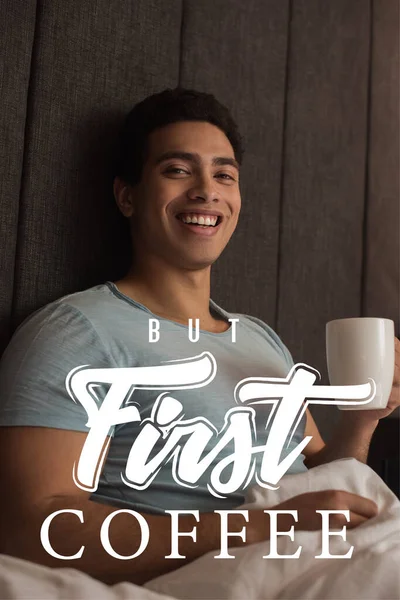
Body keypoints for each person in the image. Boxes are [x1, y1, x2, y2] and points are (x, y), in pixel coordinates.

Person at [0, 88, 398, 586]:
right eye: (178, 170)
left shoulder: (261, 339)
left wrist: (360, 423)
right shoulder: (77, 332)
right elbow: (31, 527)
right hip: (223, 571)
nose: (207, 190)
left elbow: (322, 480)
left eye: (224, 175)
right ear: (127, 195)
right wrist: (259, 528)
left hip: (329, 554)